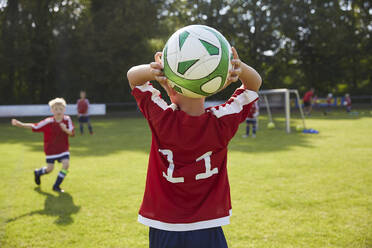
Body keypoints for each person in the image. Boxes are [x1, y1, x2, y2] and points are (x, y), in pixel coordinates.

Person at [127, 47, 261, 248]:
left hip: (165, 224)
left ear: (171, 90)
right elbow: (253, 85)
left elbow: (133, 77)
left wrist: (154, 70)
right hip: (207, 225)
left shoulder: (162, 119)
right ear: (212, 87)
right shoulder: (222, 122)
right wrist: (238, 68)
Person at [11, 98, 74, 192]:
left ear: (64, 109)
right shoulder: (48, 121)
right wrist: (21, 124)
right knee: (49, 169)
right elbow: (35, 126)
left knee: (66, 164)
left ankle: (56, 186)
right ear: (52, 110)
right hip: (51, 149)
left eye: (61, 109)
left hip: (63, 148)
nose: (58, 111)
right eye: (56, 109)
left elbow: (72, 133)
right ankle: (38, 173)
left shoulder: (67, 119)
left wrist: (65, 129)